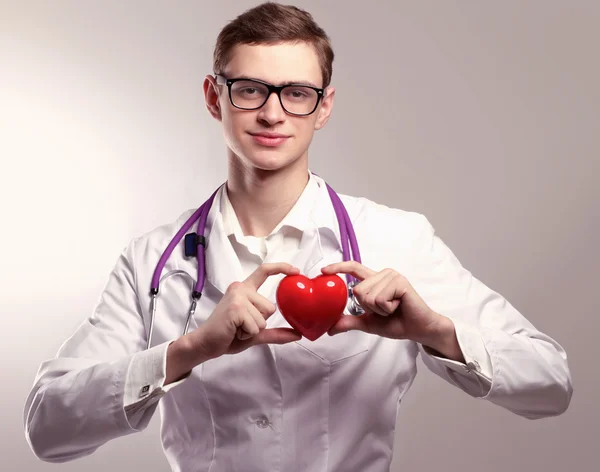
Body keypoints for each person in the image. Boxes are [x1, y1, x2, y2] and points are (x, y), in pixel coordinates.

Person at [23, 2, 572, 471]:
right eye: (250, 90)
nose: (271, 113)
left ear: (323, 107)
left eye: (296, 93)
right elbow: (46, 428)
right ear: (215, 98)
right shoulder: (151, 262)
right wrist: (188, 350)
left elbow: (550, 383)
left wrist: (436, 331)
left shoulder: (397, 239)